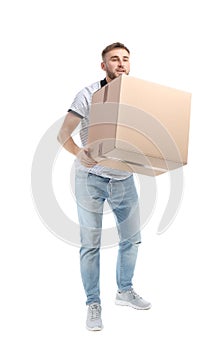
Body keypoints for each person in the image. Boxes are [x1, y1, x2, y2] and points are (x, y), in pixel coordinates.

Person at [57, 42, 151, 331]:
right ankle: (93, 303)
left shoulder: (139, 98)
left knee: (132, 239)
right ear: (104, 66)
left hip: (124, 179)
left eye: (125, 59)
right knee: (90, 245)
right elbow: (63, 135)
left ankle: (124, 290)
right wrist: (79, 153)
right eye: (114, 59)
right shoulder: (88, 95)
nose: (121, 64)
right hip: (91, 179)